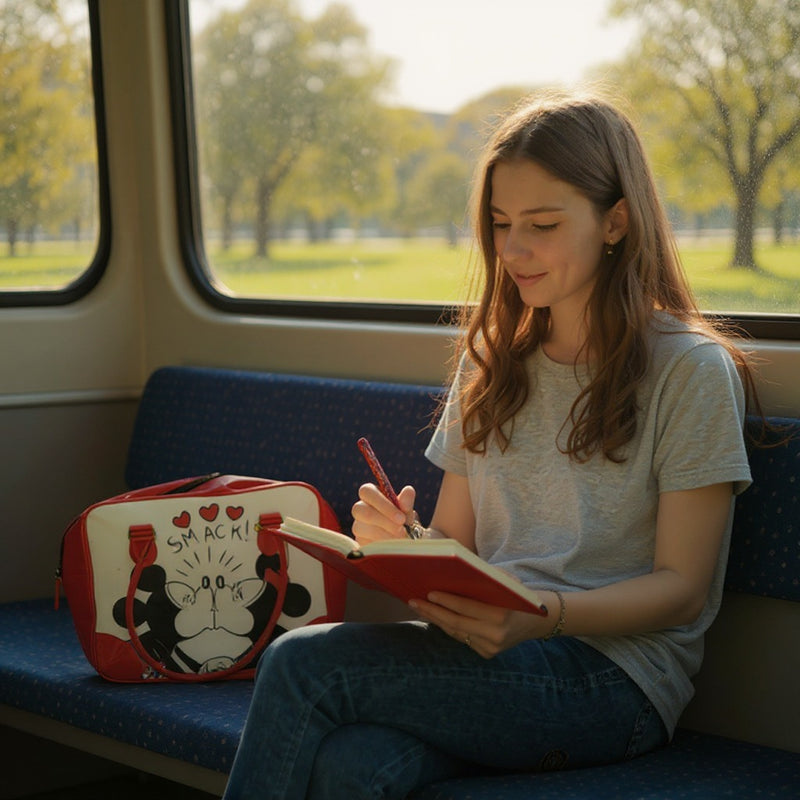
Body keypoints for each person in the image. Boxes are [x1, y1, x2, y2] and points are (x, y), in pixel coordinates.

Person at [222, 90, 755, 800]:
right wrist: (404, 543)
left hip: (614, 682)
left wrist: (539, 615)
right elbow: (457, 547)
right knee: (350, 765)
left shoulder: (689, 369)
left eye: (541, 224)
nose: (513, 249)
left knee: (302, 664)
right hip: (491, 659)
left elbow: (682, 591)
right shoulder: (491, 363)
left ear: (616, 221)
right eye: (501, 224)